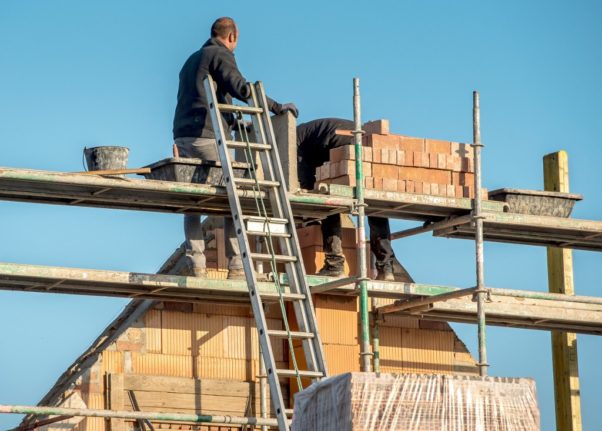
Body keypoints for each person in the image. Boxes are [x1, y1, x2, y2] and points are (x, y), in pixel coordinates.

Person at [173, 17, 298, 278]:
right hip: (207, 136)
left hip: (183, 135)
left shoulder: (191, 60)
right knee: (234, 197)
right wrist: (276, 107)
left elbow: (205, 94)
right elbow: (241, 87)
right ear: (233, 37)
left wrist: (231, 118)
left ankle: (195, 263)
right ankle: (237, 266)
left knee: (192, 200)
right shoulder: (220, 54)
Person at [297, 118, 396, 281]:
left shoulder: (294, 143)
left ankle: (334, 264)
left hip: (342, 147)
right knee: (374, 203)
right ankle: (386, 268)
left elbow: (308, 186)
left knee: (327, 203)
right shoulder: (309, 133)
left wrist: (309, 216)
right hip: (367, 144)